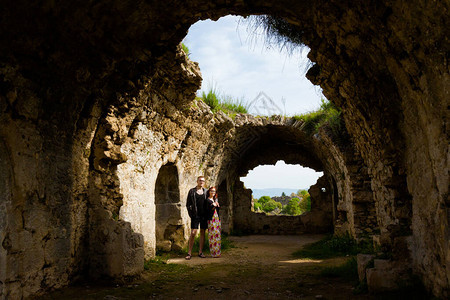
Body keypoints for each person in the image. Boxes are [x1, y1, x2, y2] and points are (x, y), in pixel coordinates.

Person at [185, 176, 208, 260]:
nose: (201, 182)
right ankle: (189, 252)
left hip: (204, 216)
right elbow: (188, 204)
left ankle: (200, 252)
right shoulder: (192, 191)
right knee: (193, 233)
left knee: (202, 232)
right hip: (195, 215)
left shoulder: (206, 191)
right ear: (197, 181)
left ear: (204, 182)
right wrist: (191, 215)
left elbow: (211, 199)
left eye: (203, 181)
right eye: (200, 180)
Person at [205, 186, 221, 258]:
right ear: (209, 192)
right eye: (211, 191)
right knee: (212, 235)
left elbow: (217, 210)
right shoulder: (207, 200)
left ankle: (217, 252)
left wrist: (217, 205)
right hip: (211, 219)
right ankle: (213, 253)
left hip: (216, 218)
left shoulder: (214, 200)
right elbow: (207, 210)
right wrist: (213, 205)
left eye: (214, 191)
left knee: (217, 234)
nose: (213, 192)